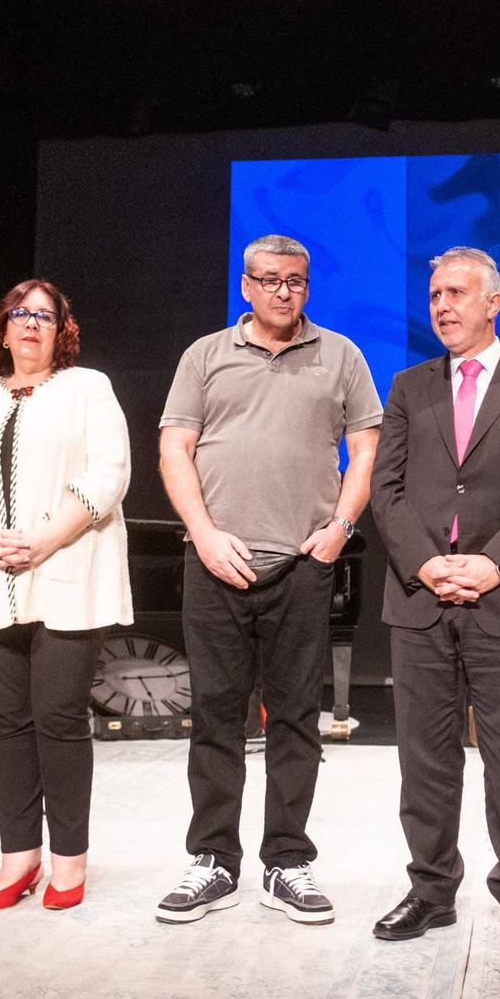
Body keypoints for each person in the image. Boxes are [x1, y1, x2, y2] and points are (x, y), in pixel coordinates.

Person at [155, 235, 382, 925]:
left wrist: (339, 527)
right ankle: (214, 861)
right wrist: (202, 531)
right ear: (246, 286)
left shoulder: (340, 354)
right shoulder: (205, 355)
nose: (286, 292)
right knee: (216, 717)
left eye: (297, 282)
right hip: (216, 560)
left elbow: (367, 444)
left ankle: (286, 861)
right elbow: (174, 446)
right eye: (272, 281)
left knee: (295, 719)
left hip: (301, 563)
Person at [370, 246, 500, 952]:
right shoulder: (407, 387)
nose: (442, 305)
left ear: (494, 302)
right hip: (421, 599)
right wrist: (428, 564)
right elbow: (385, 491)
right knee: (423, 758)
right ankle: (430, 890)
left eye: (457, 292)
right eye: (434, 294)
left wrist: (492, 564)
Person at [0, 279, 132, 912]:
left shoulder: (87, 388)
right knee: (8, 719)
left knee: (59, 715)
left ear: (60, 330)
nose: (32, 325)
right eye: (20, 314)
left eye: (45, 316)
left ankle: (69, 861)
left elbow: (110, 471)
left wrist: (43, 540)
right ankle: (19, 857)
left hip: (66, 569)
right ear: (2, 328)